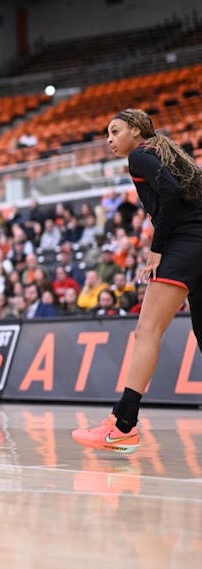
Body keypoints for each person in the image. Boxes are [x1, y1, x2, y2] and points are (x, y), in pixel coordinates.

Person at [73, 109, 202, 454]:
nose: (109, 139)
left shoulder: (141, 155)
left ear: (136, 129)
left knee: (147, 332)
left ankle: (122, 425)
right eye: (107, 134)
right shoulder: (163, 154)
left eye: (115, 131)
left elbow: (171, 194)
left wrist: (157, 250)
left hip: (186, 243)